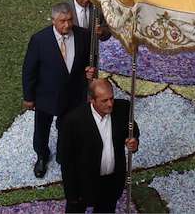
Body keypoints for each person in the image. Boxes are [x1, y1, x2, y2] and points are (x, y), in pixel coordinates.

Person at [21, 2, 94, 179]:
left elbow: (89, 61)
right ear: (53, 20)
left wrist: (90, 71)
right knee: (41, 128)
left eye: (69, 20)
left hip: (73, 95)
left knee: (67, 127)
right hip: (46, 95)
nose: (67, 25)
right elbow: (29, 70)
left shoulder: (84, 36)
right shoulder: (40, 40)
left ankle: (64, 155)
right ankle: (41, 156)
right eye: (62, 21)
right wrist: (29, 97)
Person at [57, 78, 140, 214]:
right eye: (104, 100)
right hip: (84, 183)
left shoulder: (123, 109)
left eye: (112, 98)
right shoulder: (73, 121)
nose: (110, 104)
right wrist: (71, 195)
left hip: (111, 182)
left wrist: (134, 143)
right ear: (92, 100)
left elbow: (133, 131)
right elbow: (67, 161)